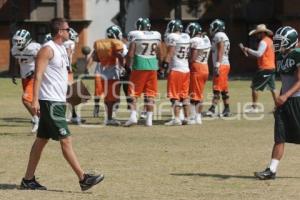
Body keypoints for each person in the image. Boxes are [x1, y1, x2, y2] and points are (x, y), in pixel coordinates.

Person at [20, 18, 104, 191]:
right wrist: (34, 99)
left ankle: (28, 180)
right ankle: (83, 179)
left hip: (58, 101)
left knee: (41, 140)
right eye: (67, 29)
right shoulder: (47, 49)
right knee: (66, 139)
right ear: (59, 31)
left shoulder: (61, 49)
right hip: (49, 102)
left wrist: (74, 95)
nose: (69, 31)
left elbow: (59, 78)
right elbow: (38, 75)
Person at [254, 26, 300, 180]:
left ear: (291, 42)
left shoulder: (298, 55)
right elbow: (286, 82)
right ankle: (271, 170)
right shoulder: (280, 56)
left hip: (297, 100)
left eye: (282, 42)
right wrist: (280, 100)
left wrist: (285, 96)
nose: (278, 44)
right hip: (285, 101)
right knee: (280, 135)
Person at [124, 17, 162, 127]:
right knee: (150, 93)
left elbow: (130, 54)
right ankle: (149, 120)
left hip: (139, 65)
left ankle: (133, 117)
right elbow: (160, 53)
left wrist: (127, 66)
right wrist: (160, 66)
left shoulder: (136, 35)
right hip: (152, 66)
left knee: (133, 93)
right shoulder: (156, 35)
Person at [90, 25, 127, 126]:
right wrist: (123, 66)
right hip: (113, 73)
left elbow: (95, 58)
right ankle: (110, 118)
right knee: (112, 97)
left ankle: (109, 116)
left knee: (107, 98)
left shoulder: (101, 43)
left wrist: (105, 58)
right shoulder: (118, 43)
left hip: (103, 73)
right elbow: (121, 55)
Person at [240, 24, 277, 113]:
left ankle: (254, 108)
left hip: (264, 68)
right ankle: (279, 107)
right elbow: (262, 55)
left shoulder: (263, 42)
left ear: (262, 33)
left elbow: (259, 54)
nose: (257, 35)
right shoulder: (270, 41)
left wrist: (247, 49)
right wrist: (249, 54)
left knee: (254, 87)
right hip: (271, 67)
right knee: (273, 89)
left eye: (258, 33)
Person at [11, 29, 41, 133]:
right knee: (33, 101)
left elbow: (42, 61)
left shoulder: (34, 48)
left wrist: (36, 72)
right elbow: (17, 60)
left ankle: (37, 118)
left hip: (34, 77)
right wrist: (14, 72)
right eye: (16, 40)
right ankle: (42, 119)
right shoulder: (15, 49)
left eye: (19, 41)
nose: (16, 43)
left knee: (25, 99)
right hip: (25, 78)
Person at [163, 19, 192, 126]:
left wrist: (164, 65)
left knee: (174, 96)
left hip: (176, 69)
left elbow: (170, 53)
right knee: (185, 95)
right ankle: (187, 118)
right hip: (186, 69)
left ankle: (176, 118)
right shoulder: (186, 37)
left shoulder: (172, 37)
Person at [186, 22, 211, 124]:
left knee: (193, 94)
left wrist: (187, 61)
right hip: (205, 67)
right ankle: (197, 117)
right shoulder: (206, 39)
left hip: (197, 67)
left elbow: (193, 57)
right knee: (199, 93)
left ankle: (194, 117)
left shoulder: (195, 40)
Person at [205, 19, 231, 117]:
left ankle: (212, 109)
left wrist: (217, 64)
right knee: (224, 88)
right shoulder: (223, 35)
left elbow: (221, 49)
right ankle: (227, 109)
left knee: (217, 88)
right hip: (225, 64)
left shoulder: (219, 35)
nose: (211, 29)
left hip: (222, 64)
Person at [64, 28, 86, 124]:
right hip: (65, 71)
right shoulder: (69, 43)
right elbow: (67, 56)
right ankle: (68, 116)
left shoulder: (65, 43)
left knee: (70, 94)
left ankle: (73, 115)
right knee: (68, 94)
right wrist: (69, 67)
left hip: (66, 70)